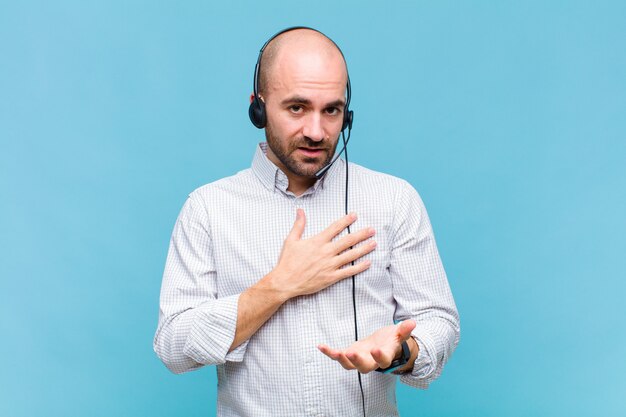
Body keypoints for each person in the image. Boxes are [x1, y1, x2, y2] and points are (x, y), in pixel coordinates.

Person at [154, 27, 460, 417]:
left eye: (331, 110)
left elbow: (439, 320)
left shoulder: (394, 200)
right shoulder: (207, 209)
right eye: (297, 108)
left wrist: (402, 351)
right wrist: (278, 286)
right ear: (258, 108)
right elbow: (173, 347)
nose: (316, 132)